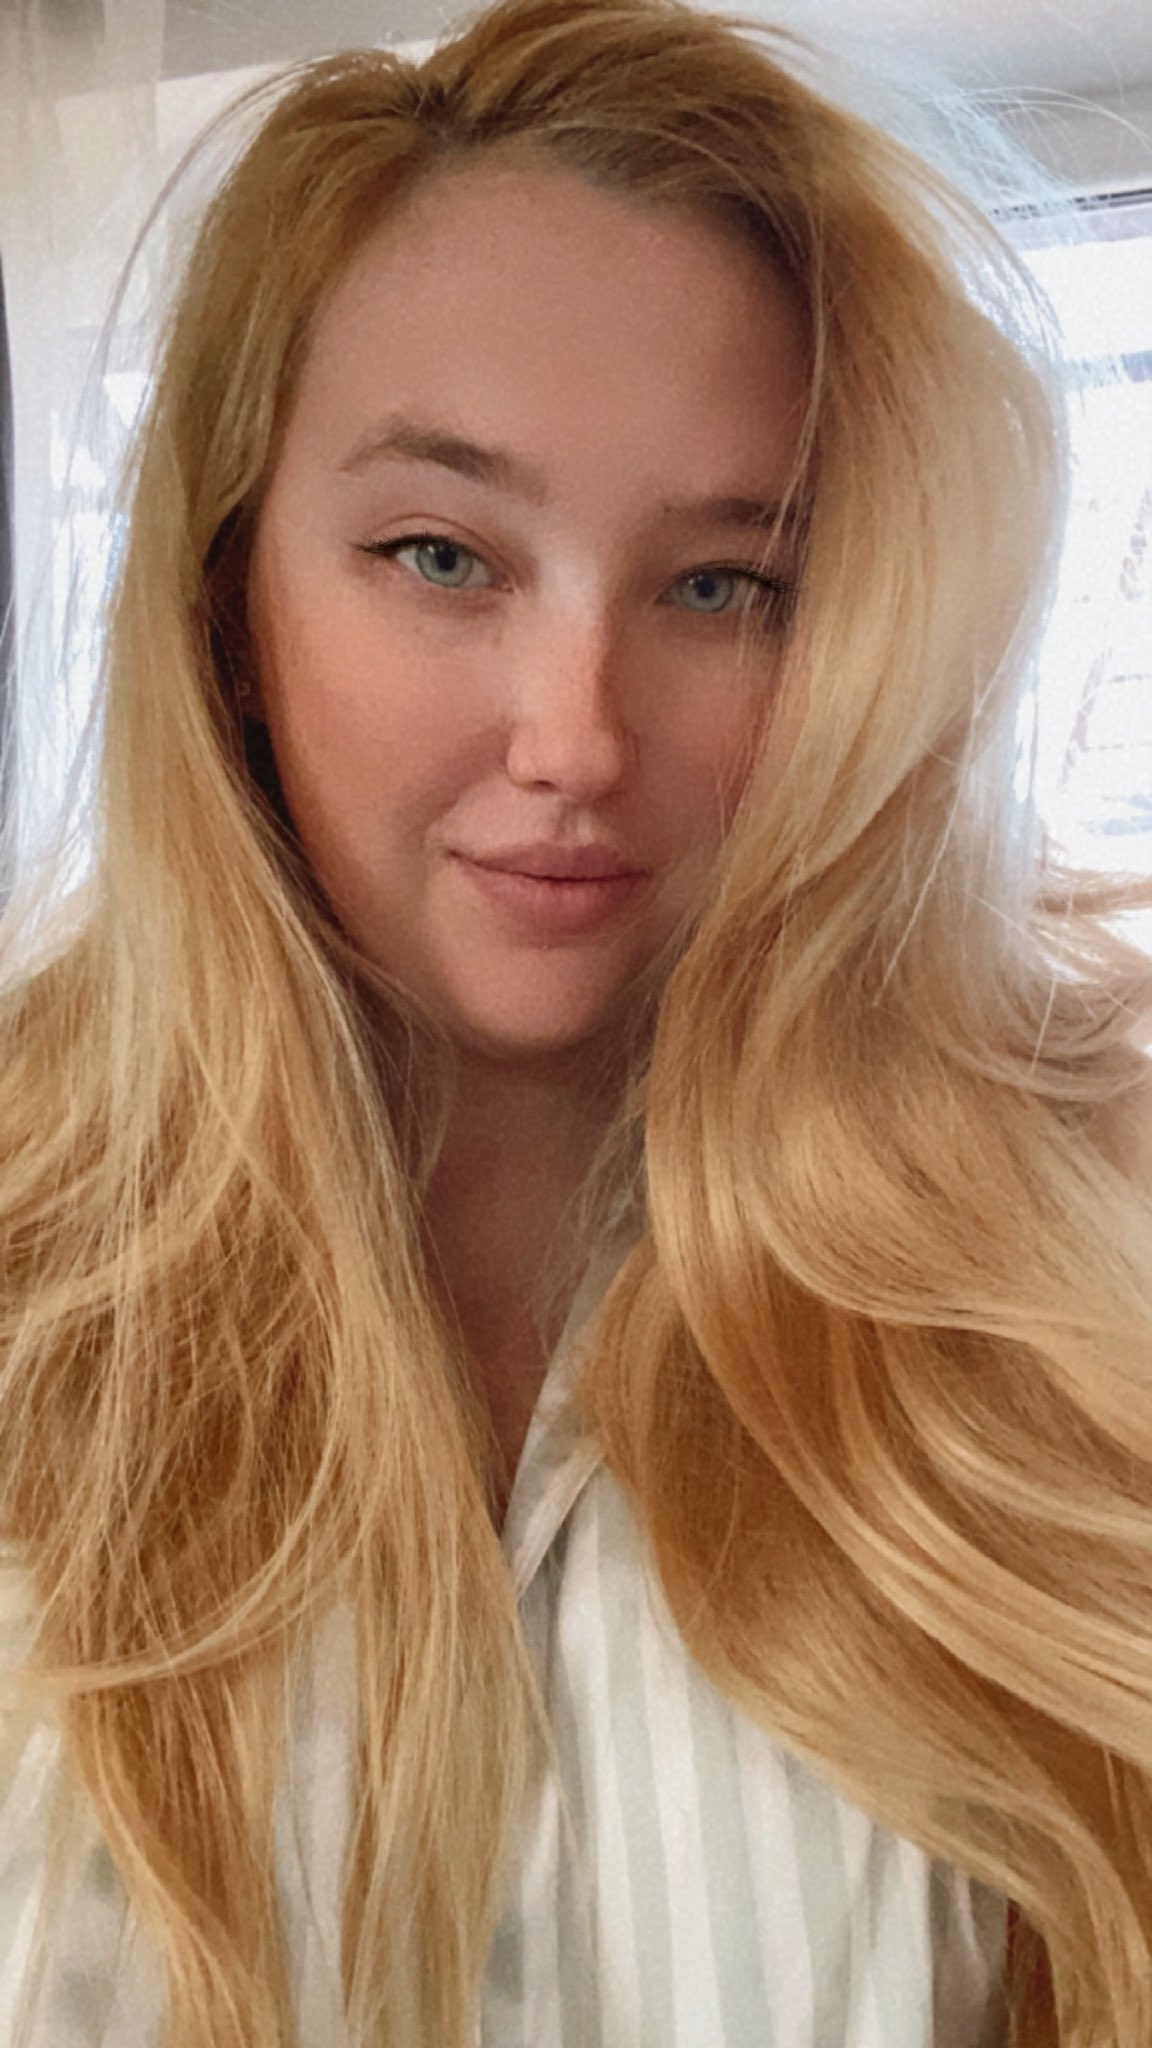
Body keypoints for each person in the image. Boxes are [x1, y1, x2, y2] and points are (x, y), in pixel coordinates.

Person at [1, 0, 1151, 2040]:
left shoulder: (1082, 1265)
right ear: (230, 606)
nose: (576, 737)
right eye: (441, 555)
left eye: (724, 587)